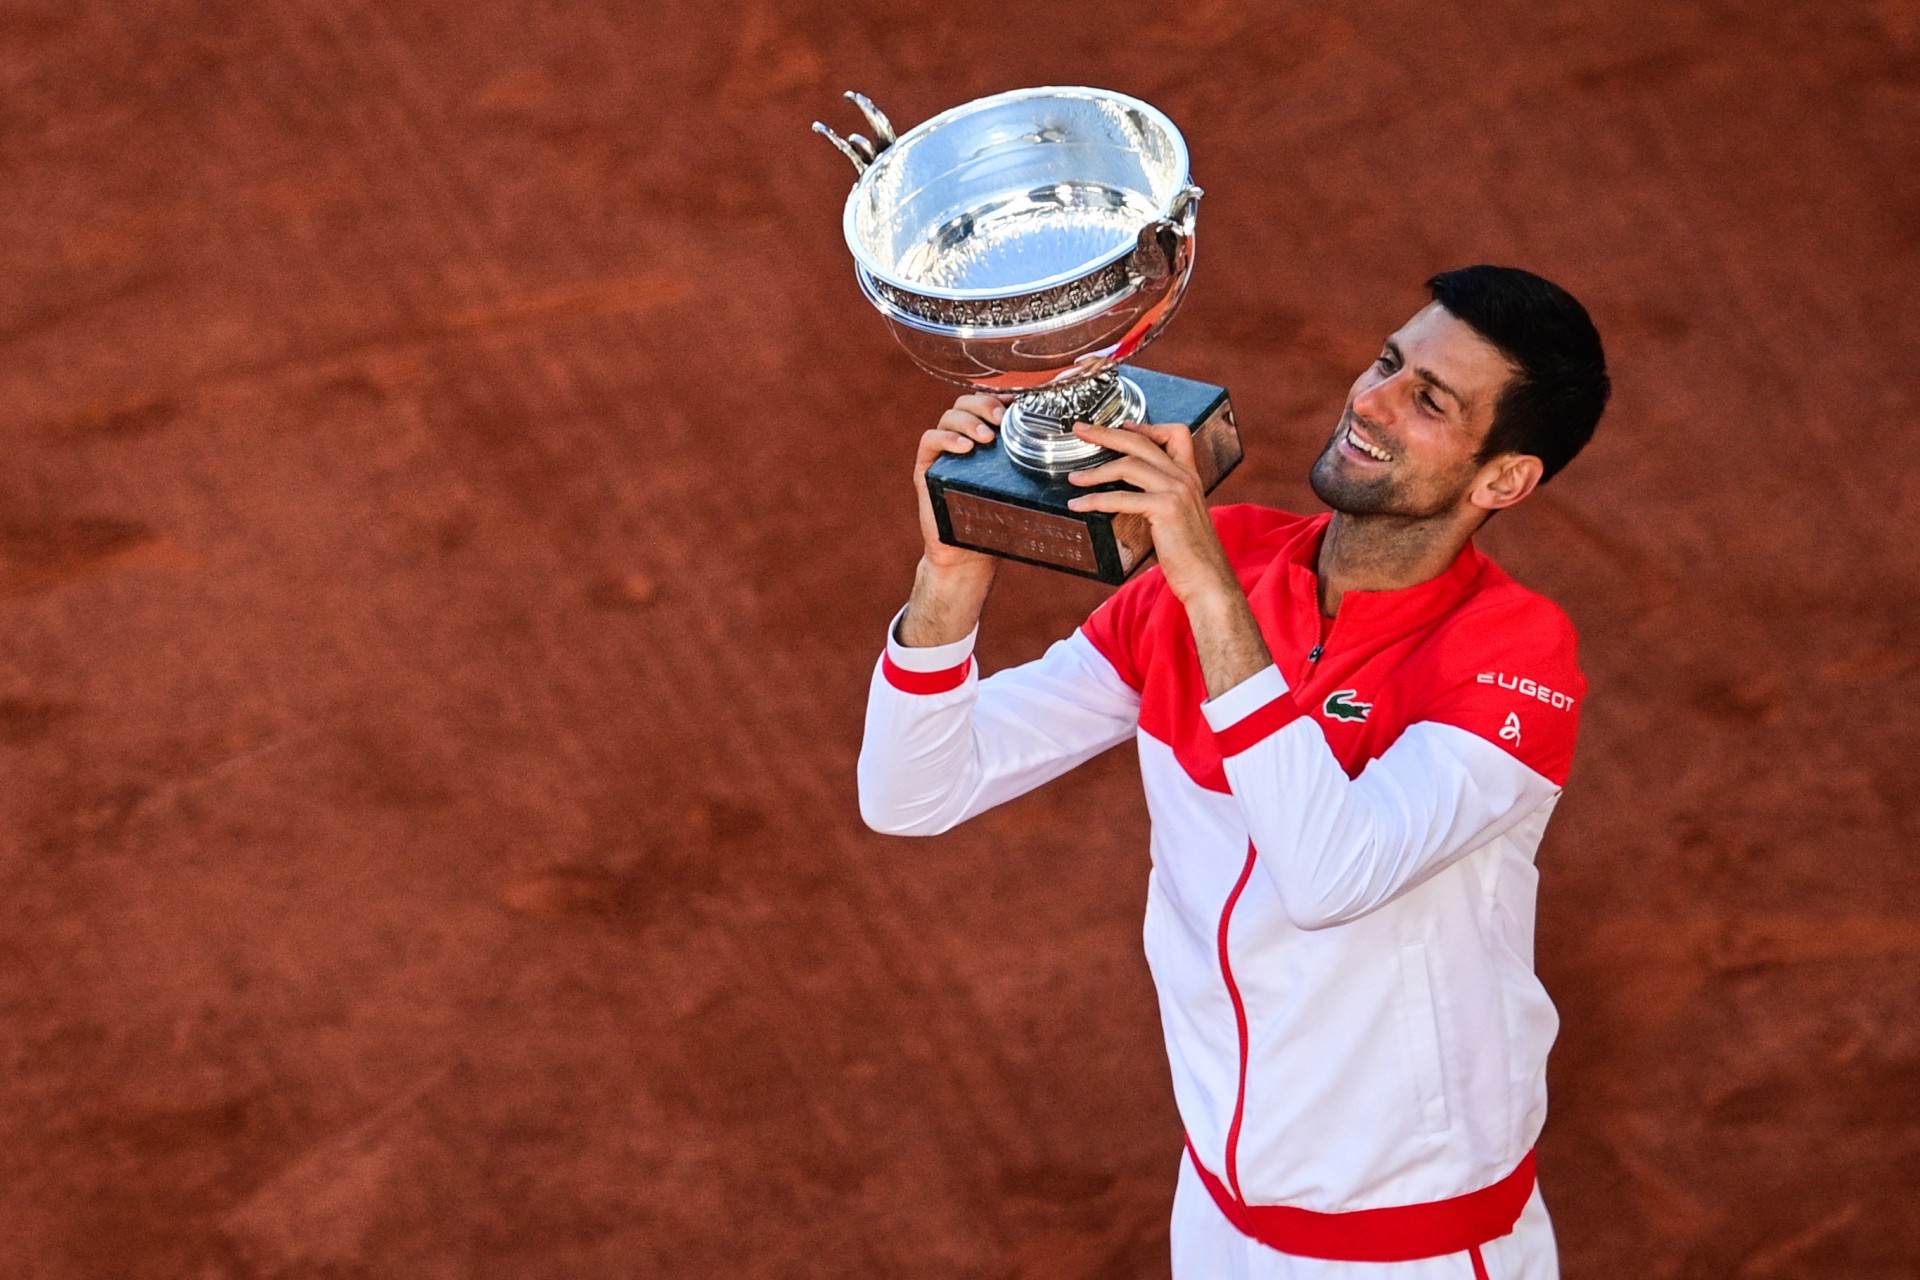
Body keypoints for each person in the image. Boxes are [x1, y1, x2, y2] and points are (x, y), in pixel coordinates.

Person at [857, 265, 1610, 1279]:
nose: (1371, 400)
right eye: (1388, 361)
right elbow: (912, 793)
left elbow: (1329, 875)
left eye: (1430, 400)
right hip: (1216, 1218)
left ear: (1503, 480)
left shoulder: (1511, 651)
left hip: (1414, 1249)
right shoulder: (1235, 558)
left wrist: (1209, 586)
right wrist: (952, 567)